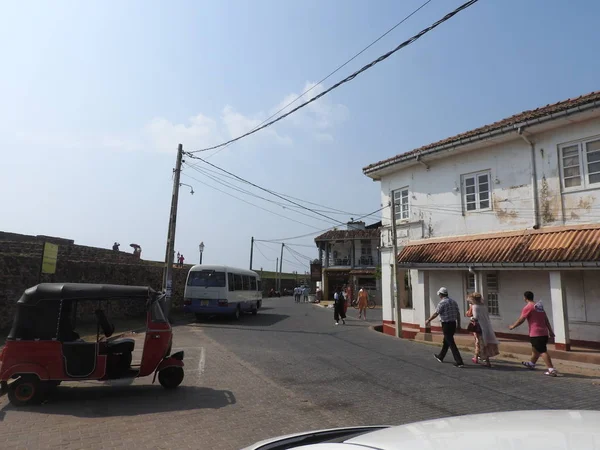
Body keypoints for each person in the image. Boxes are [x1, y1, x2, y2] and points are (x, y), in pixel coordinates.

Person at [509, 291, 558, 377]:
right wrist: (550, 331)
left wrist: (513, 326)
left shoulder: (528, 307)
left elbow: (522, 319)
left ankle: (551, 369)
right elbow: (546, 319)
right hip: (543, 332)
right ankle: (531, 363)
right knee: (535, 349)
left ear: (525, 298)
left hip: (536, 333)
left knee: (542, 351)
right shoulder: (539, 306)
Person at [426, 287, 464, 368]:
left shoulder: (442, 303)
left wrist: (429, 320)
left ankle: (459, 361)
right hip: (453, 323)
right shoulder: (454, 302)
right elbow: (458, 313)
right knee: (446, 340)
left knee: (450, 342)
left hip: (446, 324)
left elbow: (436, 313)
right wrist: (459, 324)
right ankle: (441, 356)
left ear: (440, 295)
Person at [469, 292, 499, 367]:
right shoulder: (484, 306)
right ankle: (477, 357)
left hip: (480, 327)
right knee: (484, 343)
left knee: (480, 343)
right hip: (487, 326)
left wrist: (471, 319)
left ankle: (487, 362)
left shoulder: (475, 306)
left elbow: (475, 317)